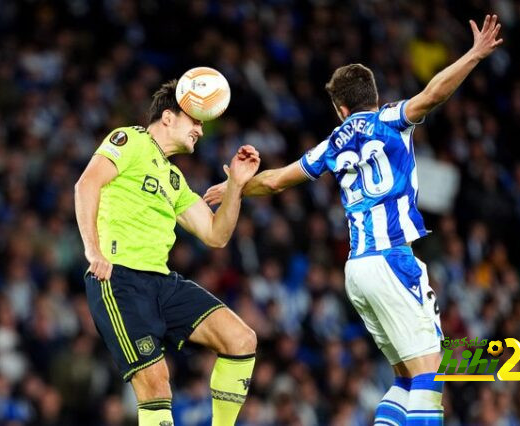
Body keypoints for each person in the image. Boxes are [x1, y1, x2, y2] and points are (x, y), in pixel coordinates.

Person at [203, 15, 503, 425]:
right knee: (431, 377)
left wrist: (236, 186)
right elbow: (433, 94)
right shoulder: (390, 119)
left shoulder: (332, 142)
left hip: (357, 269)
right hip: (393, 260)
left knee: (403, 378)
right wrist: (474, 54)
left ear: (340, 108)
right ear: (373, 98)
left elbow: (274, 182)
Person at [74, 79, 260, 426]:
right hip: (119, 278)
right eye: (195, 121)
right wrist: (93, 250)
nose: (200, 131)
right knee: (157, 385)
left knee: (241, 339)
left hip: (162, 282)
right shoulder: (128, 140)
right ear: (169, 117)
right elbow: (86, 184)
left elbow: (216, 235)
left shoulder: (174, 179)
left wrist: (236, 185)